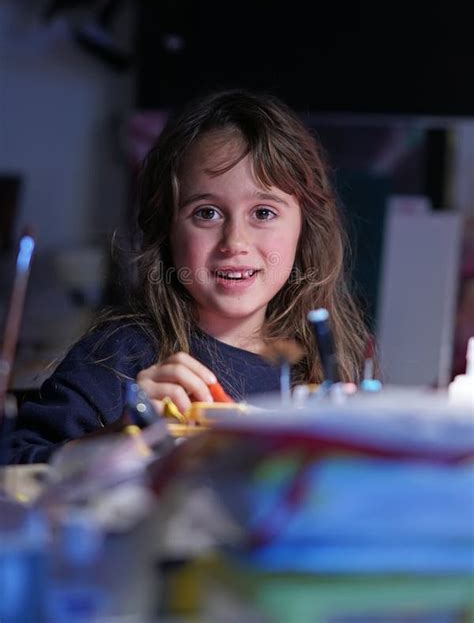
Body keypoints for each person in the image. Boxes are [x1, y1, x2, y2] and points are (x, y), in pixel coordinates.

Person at [7, 89, 369, 464]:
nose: (235, 242)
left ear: (304, 228)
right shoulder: (119, 355)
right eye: (207, 213)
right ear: (168, 230)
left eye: (263, 213)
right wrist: (119, 435)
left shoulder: (323, 368)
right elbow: (17, 466)